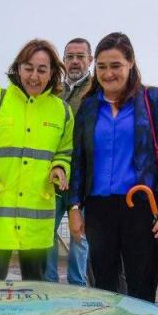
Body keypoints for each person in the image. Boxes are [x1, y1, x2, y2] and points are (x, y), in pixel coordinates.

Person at [68, 32, 158, 302]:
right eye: (102, 67)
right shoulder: (87, 106)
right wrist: (74, 208)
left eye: (116, 65)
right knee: (104, 286)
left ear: (131, 63)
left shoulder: (154, 99)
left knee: (141, 286)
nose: (108, 74)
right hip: (98, 209)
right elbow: (78, 162)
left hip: (141, 207)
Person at [0, 39, 73, 281]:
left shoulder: (62, 111)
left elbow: (66, 152)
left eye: (42, 70)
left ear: (52, 73)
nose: (34, 76)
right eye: (28, 68)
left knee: (36, 289)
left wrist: (60, 168)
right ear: (17, 68)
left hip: (37, 220)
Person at [45, 38, 93, 285]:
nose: (74, 61)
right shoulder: (53, 91)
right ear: (63, 61)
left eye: (80, 56)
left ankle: (77, 286)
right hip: (53, 178)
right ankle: (50, 285)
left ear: (90, 60)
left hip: (83, 180)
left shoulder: (97, 90)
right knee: (46, 234)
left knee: (79, 237)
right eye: (70, 56)